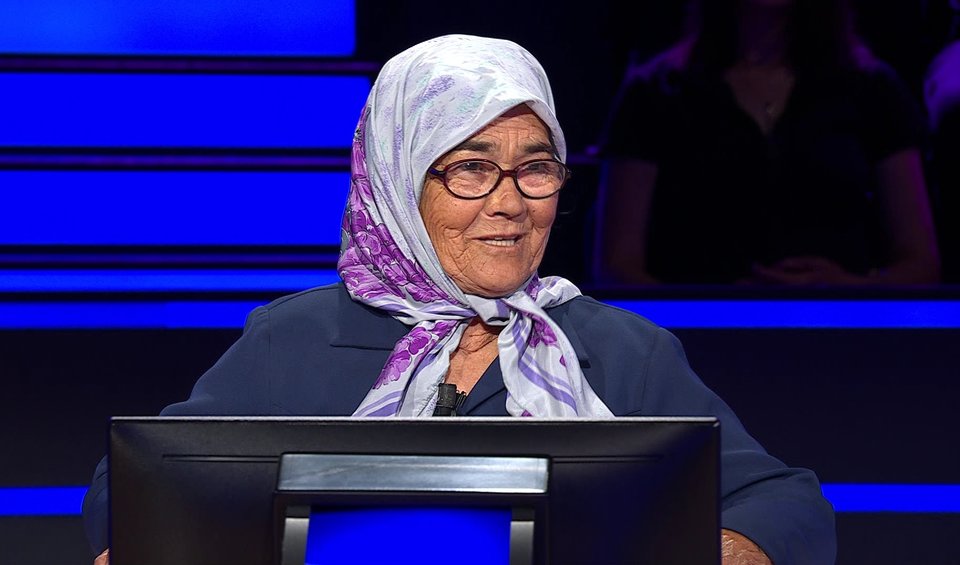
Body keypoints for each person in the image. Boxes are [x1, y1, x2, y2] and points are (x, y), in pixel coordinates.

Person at [83, 34, 836, 565]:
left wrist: (728, 550)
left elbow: (784, 501)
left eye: (536, 168)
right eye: (471, 168)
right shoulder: (295, 337)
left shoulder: (621, 351)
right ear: (396, 181)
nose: (510, 203)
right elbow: (138, 483)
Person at [593, 0, 941, 286]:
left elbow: (921, 264)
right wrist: (714, 310)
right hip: (698, 339)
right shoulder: (655, 93)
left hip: (838, 334)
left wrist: (844, 288)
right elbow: (616, 268)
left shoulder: (873, 90)